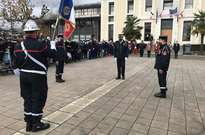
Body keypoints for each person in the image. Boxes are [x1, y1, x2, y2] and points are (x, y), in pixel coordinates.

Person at [13, 20, 56, 132]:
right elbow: (52, 55)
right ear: (35, 32)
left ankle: (29, 123)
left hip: (23, 76)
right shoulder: (40, 44)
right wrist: (52, 45)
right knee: (38, 98)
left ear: (26, 32)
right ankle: (36, 123)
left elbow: (15, 64)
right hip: (37, 76)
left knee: (27, 98)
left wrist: (21, 74)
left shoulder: (18, 46)